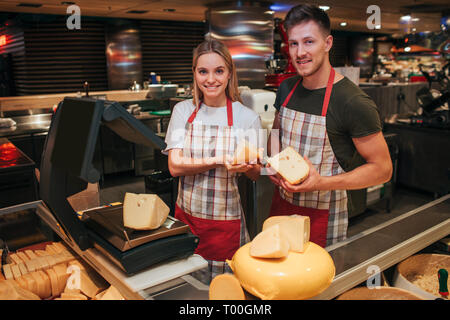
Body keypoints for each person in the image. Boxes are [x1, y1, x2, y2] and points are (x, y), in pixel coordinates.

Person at [266, 4, 392, 247]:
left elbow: (383, 169)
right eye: (294, 44)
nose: (300, 52)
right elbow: (275, 134)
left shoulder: (352, 101)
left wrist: (322, 183)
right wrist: (272, 163)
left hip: (323, 217)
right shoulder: (286, 88)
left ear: (328, 43)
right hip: (281, 208)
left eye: (309, 42)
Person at [163, 39, 262, 282]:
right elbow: (175, 166)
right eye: (203, 71)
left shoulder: (246, 117)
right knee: (186, 289)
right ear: (195, 74)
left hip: (225, 224)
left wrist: (248, 166)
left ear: (229, 73)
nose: (211, 79)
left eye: (219, 71)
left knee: (226, 290)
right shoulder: (183, 111)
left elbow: (256, 173)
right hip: (186, 218)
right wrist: (219, 160)